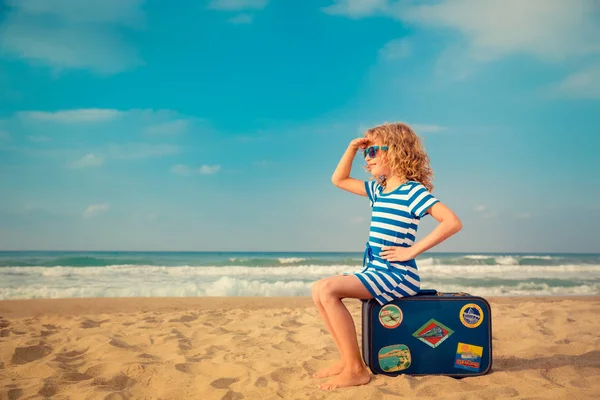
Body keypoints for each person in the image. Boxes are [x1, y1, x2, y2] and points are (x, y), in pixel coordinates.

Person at [311, 122, 462, 390]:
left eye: (372, 152)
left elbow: (451, 222)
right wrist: (351, 148)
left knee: (328, 289)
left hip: (397, 274)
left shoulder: (412, 191)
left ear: (395, 151)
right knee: (318, 290)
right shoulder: (378, 190)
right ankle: (348, 361)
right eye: (364, 154)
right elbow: (339, 180)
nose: (366, 160)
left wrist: (412, 251)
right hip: (376, 269)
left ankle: (357, 369)